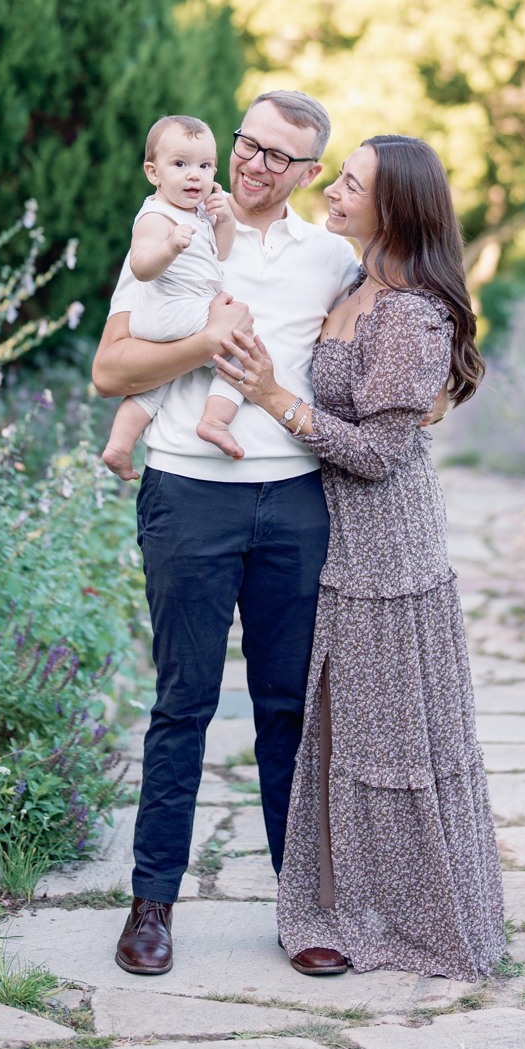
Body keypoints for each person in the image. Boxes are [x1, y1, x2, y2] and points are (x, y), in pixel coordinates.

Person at [213, 134, 506, 979]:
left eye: (350, 184)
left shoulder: (409, 311)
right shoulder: (352, 285)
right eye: (337, 178)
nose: (331, 191)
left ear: (394, 208)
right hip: (333, 536)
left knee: (389, 739)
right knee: (338, 735)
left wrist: (275, 399)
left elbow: (379, 454)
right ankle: (335, 907)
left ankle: (408, 918)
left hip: (386, 547)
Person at [91, 91, 361, 976]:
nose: (253, 164)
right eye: (247, 144)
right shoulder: (169, 230)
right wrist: (208, 345)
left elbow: (400, 322)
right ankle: (151, 906)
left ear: (309, 173)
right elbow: (111, 370)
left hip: (293, 504)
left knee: (290, 712)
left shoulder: (331, 257)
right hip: (185, 497)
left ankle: (305, 912)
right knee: (184, 706)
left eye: (279, 156)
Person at [102, 114, 254, 481]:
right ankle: (215, 421)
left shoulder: (199, 212)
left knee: (158, 382)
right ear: (153, 173)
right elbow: (141, 267)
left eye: (204, 166)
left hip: (179, 311)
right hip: (171, 308)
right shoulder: (156, 216)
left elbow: (220, 254)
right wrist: (169, 247)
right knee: (243, 350)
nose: (194, 175)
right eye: (180, 164)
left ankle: (119, 445)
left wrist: (226, 223)